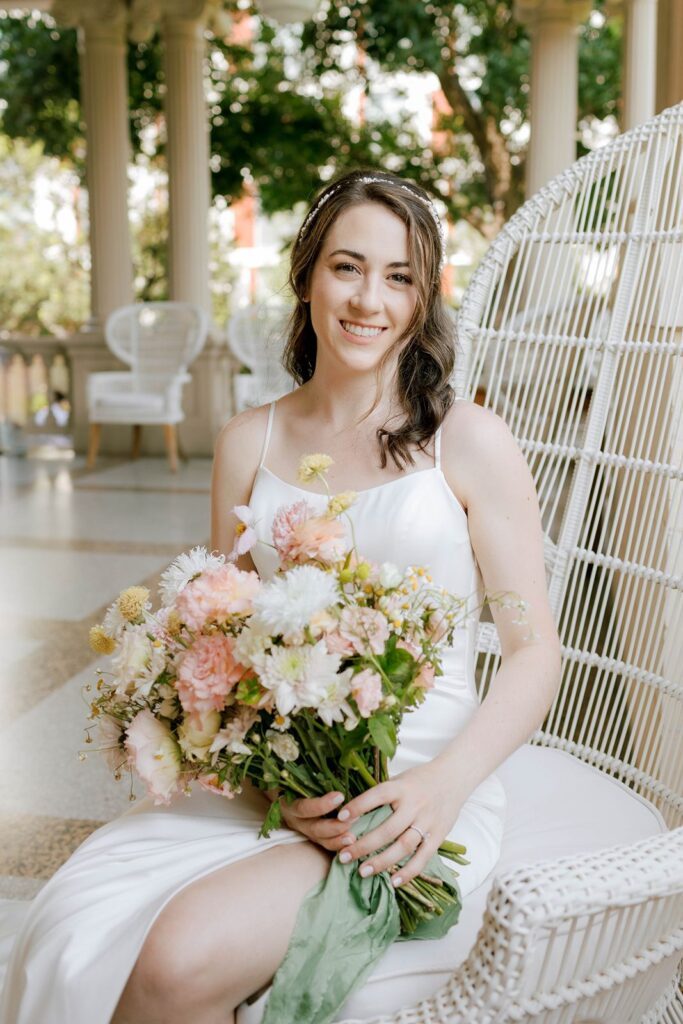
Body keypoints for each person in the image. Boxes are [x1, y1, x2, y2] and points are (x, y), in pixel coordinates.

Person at [0, 170, 561, 1024]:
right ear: (305, 277)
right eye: (346, 267)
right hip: (284, 786)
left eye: (399, 275)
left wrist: (446, 785)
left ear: (423, 298)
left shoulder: (469, 442)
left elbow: (532, 650)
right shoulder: (246, 442)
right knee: (77, 928)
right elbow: (225, 643)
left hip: (418, 787)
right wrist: (275, 788)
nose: (369, 298)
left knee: (177, 962)